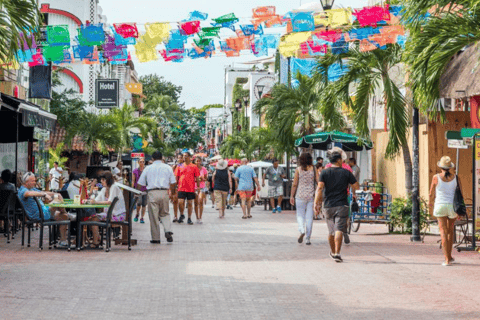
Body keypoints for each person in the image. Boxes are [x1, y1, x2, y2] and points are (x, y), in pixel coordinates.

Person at [315, 150, 359, 263]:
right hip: (342, 204)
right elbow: (356, 186)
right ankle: (337, 253)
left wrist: (317, 203)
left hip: (328, 205)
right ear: (339, 160)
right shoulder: (346, 172)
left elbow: (319, 188)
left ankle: (333, 251)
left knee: (331, 232)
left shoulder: (324, 172)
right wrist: (351, 186)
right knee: (339, 229)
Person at [18, 172, 70, 247]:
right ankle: (67, 213)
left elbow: (42, 192)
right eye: (33, 181)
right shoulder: (23, 190)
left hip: (44, 212)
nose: (35, 183)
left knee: (64, 216)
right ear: (27, 182)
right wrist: (44, 195)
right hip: (39, 215)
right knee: (57, 202)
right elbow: (27, 194)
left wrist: (55, 194)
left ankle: (63, 241)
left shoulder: (31, 188)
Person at [138, 151, 176, 244]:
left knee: (153, 216)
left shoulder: (148, 168)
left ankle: (156, 238)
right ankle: (167, 230)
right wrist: (173, 193)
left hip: (152, 193)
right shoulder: (168, 167)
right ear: (161, 157)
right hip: (164, 192)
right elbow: (173, 182)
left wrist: (137, 192)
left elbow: (140, 183)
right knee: (165, 213)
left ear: (152, 159)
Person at [429, 156, 460, 266]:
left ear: (441, 167)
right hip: (452, 207)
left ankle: (446, 259)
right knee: (450, 232)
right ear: (450, 167)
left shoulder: (436, 177)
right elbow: (460, 194)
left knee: (443, 232)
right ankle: (450, 256)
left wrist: (430, 205)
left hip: (440, 206)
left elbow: (431, 193)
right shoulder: (456, 178)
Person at [87, 172, 126, 247]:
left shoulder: (114, 187)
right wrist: (89, 200)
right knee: (90, 218)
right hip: (108, 214)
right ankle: (97, 239)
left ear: (108, 180)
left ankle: (96, 242)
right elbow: (96, 200)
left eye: (103, 179)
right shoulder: (104, 189)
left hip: (118, 214)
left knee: (93, 218)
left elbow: (109, 202)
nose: (101, 181)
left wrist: (95, 202)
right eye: (101, 179)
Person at [290, 153, 319, 245]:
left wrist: (291, 196)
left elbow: (294, 184)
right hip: (311, 196)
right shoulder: (314, 169)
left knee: (300, 214)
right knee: (309, 217)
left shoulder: (298, 169)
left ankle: (302, 230)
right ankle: (308, 238)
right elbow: (318, 182)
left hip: (300, 195)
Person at [175, 151, 200, 225]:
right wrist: (175, 186)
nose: (184, 157)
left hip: (190, 188)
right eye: (183, 156)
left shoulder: (194, 166)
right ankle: (182, 214)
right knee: (180, 202)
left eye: (186, 156)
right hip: (181, 187)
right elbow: (176, 177)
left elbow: (197, 177)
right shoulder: (179, 166)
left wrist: (198, 187)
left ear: (189, 157)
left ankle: (189, 218)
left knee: (189, 203)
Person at [132, 158, 147, 223]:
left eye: (143, 162)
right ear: (138, 162)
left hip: (145, 190)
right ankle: (137, 214)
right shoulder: (135, 171)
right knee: (139, 202)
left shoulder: (146, 170)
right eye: (140, 162)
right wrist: (133, 190)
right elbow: (133, 181)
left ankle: (142, 217)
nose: (142, 163)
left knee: (144, 204)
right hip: (138, 189)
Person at [194, 157, 208, 224]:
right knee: (196, 202)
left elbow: (206, 178)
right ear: (195, 162)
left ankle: (200, 217)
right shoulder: (193, 168)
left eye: (199, 161)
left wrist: (202, 178)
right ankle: (197, 217)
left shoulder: (204, 169)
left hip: (202, 187)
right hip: (195, 187)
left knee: (201, 201)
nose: (198, 162)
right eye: (197, 161)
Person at [172, 154, 184, 223]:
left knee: (181, 202)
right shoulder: (175, 166)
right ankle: (175, 216)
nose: (180, 159)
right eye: (179, 158)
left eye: (181, 158)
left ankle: (181, 215)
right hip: (176, 186)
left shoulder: (184, 166)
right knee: (175, 201)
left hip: (182, 186)